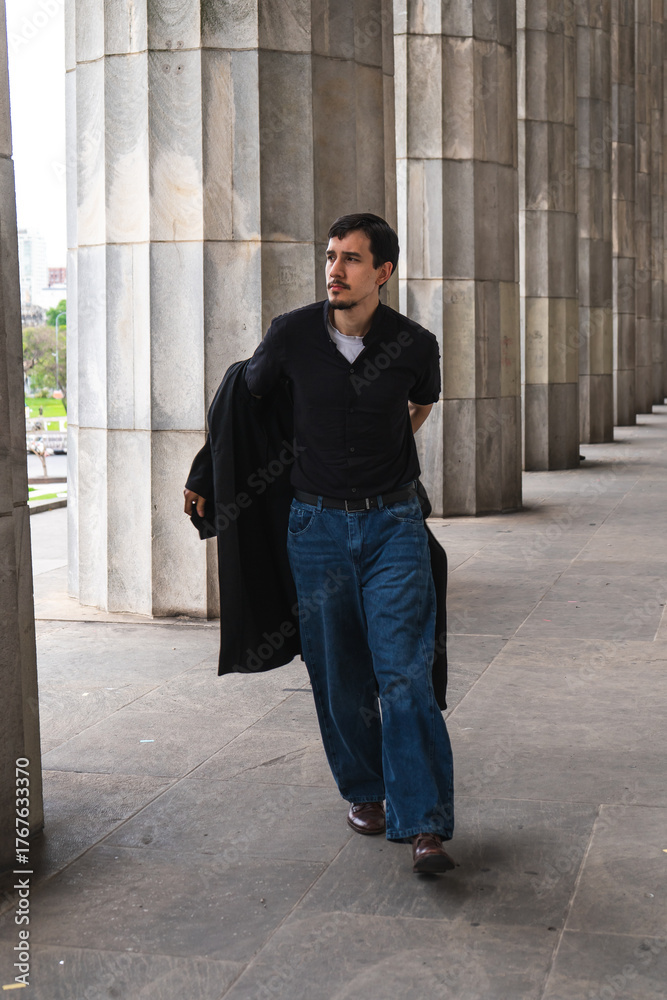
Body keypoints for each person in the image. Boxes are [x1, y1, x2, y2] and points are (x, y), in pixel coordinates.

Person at [185, 213, 455, 874]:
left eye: (351, 259)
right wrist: (205, 472)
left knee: (404, 671)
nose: (335, 270)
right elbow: (242, 403)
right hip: (316, 528)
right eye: (331, 256)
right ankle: (365, 790)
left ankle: (423, 822)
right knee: (338, 672)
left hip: (393, 525)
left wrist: (388, 444)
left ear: (383, 272)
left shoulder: (414, 344)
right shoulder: (292, 335)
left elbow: (422, 402)